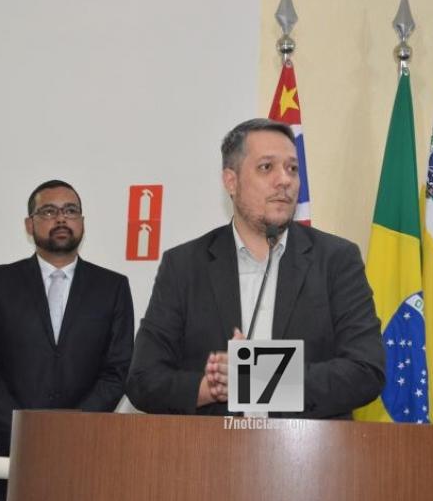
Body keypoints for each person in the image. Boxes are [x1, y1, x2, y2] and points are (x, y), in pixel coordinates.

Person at [127, 119, 384, 418]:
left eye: (292, 169)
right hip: (211, 445)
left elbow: (366, 370)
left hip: (305, 446)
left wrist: (255, 379)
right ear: (231, 181)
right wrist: (214, 388)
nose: (284, 180)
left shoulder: (336, 260)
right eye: (266, 167)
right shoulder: (185, 265)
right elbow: (143, 380)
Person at [0, 180, 134, 501]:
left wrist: (68, 432)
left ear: (82, 222)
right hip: (3, 455)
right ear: (30, 224)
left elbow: (117, 371)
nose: (61, 218)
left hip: (81, 455)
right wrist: (24, 432)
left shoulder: (112, 287)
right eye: (49, 211)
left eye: (70, 210)